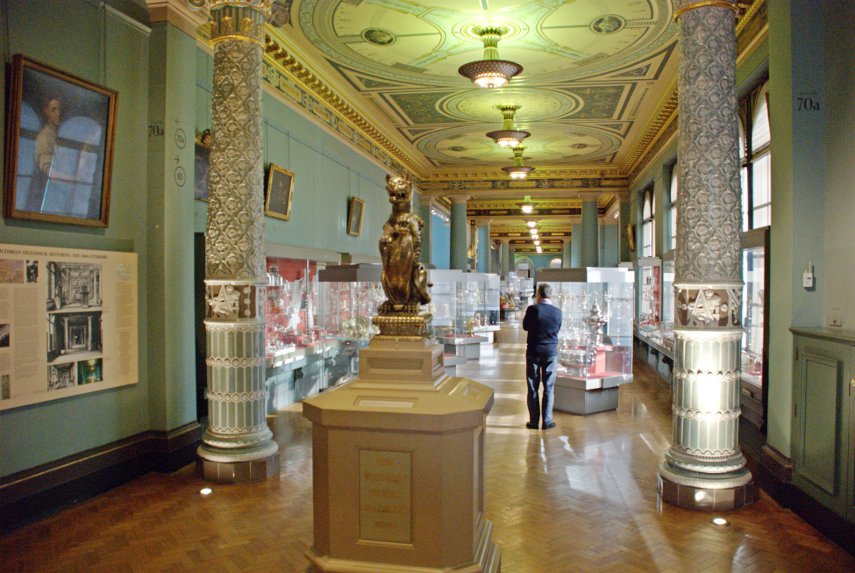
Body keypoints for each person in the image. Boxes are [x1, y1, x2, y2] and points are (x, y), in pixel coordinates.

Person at [522, 283, 562, 430]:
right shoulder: (557, 312)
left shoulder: (533, 309)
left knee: (532, 386)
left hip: (533, 350)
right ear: (550, 295)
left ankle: (533, 421)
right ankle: (547, 421)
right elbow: (557, 329)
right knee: (549, 386)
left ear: (539, 294)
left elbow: (525, 326)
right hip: (550, 352)